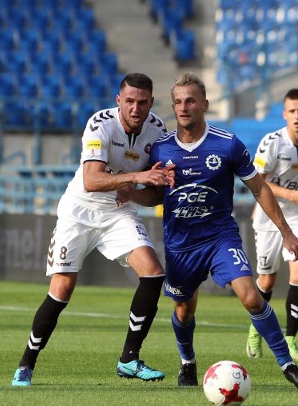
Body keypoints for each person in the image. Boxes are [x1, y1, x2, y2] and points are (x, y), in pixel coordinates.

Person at [121, 72, 298, 390]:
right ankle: (187, 363)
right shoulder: (160, 149)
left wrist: (286, 232)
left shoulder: (227, 145)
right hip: (181, 245)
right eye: (178, 102)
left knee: (251, 297)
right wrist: (132, 192)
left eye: (191, 100)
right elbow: (155, 195)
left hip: (220, 237)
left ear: (205, 104)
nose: (183, 107)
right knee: (184, 310)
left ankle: (287, 364)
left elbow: (260, 188)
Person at [11, 73, 175, 387]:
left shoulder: (158, 131)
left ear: (152, 102)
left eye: (142, 102)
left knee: (154, 273)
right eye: (129, 101)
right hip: (80, 210)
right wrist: (136, 177)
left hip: (118, 211)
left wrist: (139, 189)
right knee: (62, 289)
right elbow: (92, 180)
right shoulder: (100, 124)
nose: (135, 108)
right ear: (118, 101)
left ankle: (129, 359)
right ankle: (26, 364)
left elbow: (154, 192)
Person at [246, 88, 298, 361]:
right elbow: (256, 181)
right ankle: (254, 331)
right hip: (269, 215)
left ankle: (291, 340)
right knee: (267, 280)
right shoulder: (272, 143)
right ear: (284, 114)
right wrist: (290, 194)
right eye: (292, 111)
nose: (297, 116)